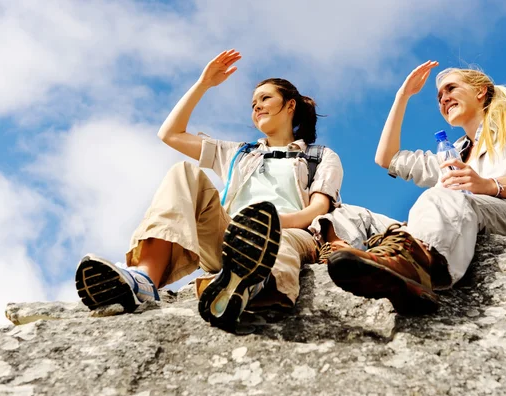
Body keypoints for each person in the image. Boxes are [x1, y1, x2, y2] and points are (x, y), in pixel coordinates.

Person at [75, 49, 343, 331]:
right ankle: (143, 280)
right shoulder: (239, 153)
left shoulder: (320, 156)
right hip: (230, 237)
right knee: (183, 172)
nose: (257, 107)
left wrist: (263, 223)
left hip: (289, 233)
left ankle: (246, 288)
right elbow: (170, 134)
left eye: (266, 98)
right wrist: (203, 84)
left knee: (280, 246)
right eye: (253, 104)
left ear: (290, 106)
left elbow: (318, 210)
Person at [319, 61, 506, 314]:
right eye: (439, 96)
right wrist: (402, 96)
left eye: (451, 89)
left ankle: (416, 269)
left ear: (480, 91)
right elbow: (387, 158)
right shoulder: (452, 154)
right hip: (459, 215)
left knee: (439, 195)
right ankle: (350, 261)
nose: (444, 99)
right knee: (347, 213)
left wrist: (488, 185)